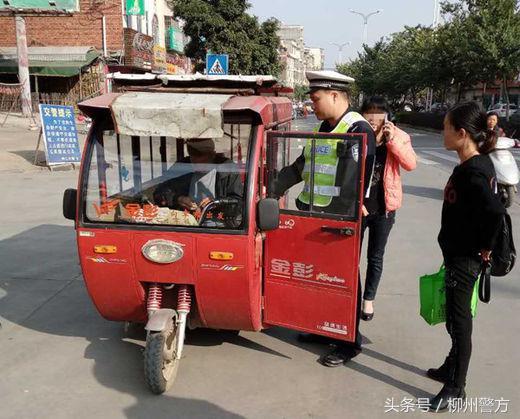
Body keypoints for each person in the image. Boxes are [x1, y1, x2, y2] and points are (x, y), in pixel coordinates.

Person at [272, 70, 376, 367]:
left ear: (334, 95)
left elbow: (356, 184)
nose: (312, 104)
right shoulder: (323, 127)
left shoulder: (357, 129)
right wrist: (267, 188)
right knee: (317, 277)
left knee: (342, 279)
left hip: (339, 223)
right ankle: (322, 326)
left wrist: (340, 223)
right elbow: (299, 167)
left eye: (315, 98)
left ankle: (348, 341)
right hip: (311, 217)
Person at [428, 102, 505, 412]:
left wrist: (485, 246)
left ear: (461, 134)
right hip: (458, 254)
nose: (442, 133)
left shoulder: (473, 170)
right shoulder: (476, 163)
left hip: (465, 258)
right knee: (455, 319)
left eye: (446, 128)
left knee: (460, 322)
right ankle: (451, 367)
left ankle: (456, 386)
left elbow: (495, 211)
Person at [359, 97, 417, 321]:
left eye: (379, 114)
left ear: (387, 117)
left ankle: (368, 300)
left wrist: (392, 141)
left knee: (375, 256)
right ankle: (352, 296)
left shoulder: (399, 137)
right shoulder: (359, 135)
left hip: (384, 209)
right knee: (351, 256)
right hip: (359, 208)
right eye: (369, 114)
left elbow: (410, 163)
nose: (373, 118)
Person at [154, 138, 243, 212]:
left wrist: (216, 202)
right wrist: (178, 199)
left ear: (213, 155)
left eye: (204, 162)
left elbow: (238, 201)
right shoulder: (183, 167)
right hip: (186, 222)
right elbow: (159, 192)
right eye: (195, 162)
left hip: (219, 223)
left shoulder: (227, 169)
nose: (199, 167)